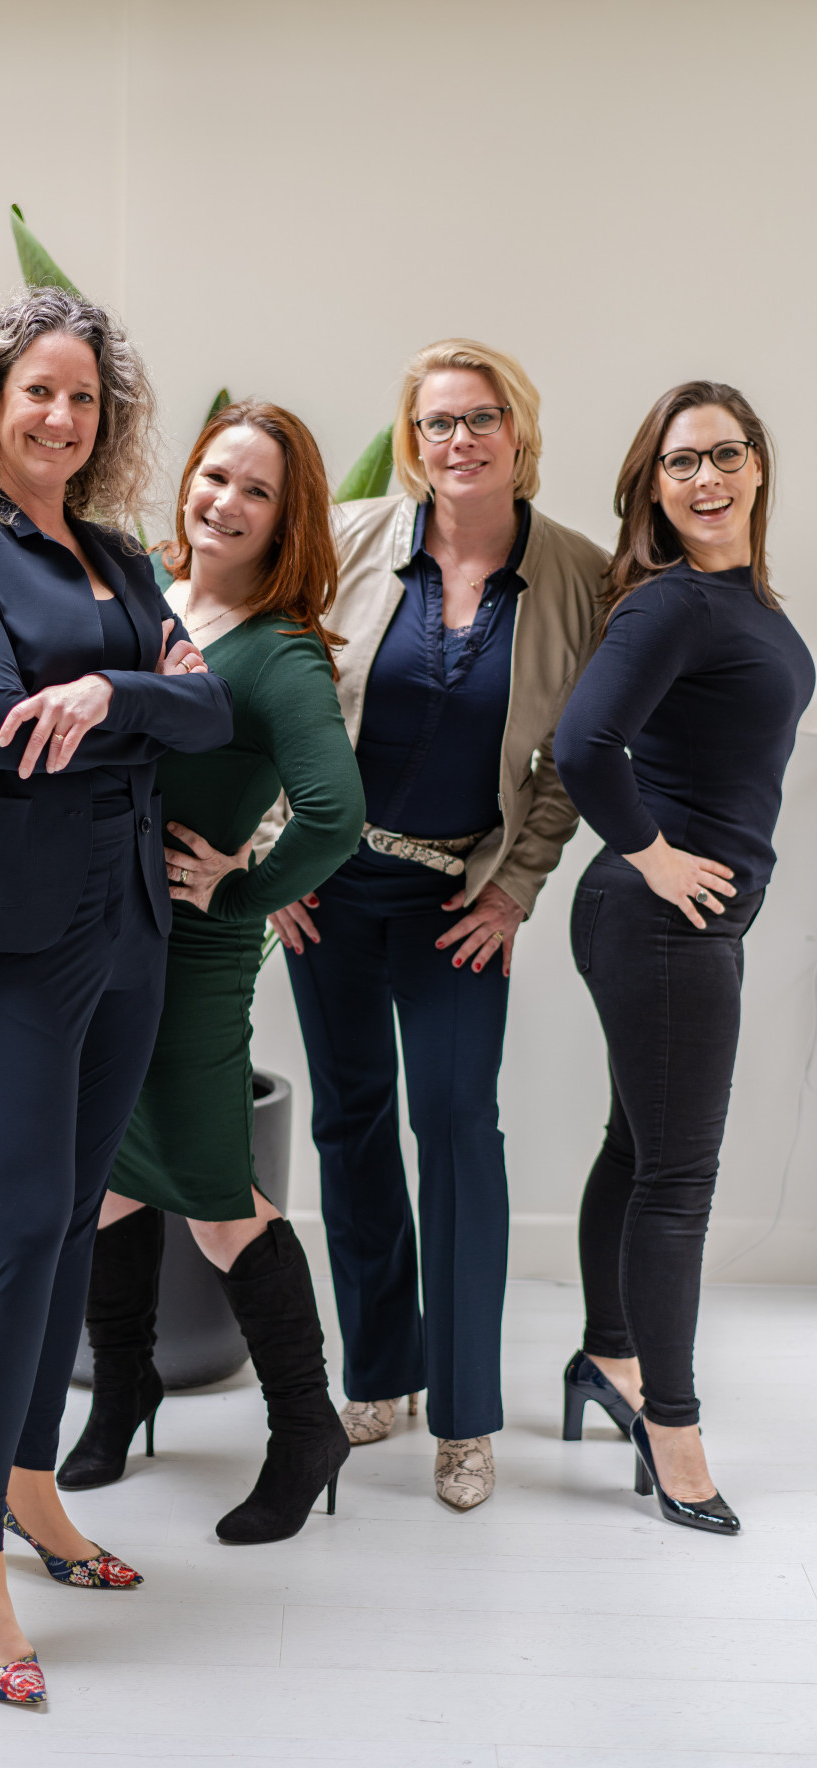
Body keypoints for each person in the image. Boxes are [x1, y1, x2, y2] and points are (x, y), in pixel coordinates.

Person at [0, 286, 232, 1706]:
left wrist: (107, 699)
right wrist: (135, 692)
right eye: (39, 388)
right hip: (11, 933)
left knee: (82, 1213)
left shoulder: (122, 555)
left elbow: (208, 711)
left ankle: (30, 1484)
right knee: (25, 1223)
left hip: (132, 924)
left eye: (85, 396)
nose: (62, 415)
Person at [265, 340, 608, 1508]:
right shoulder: (349, 540)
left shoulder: (579, 577)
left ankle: (464, 1417)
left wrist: (516, 887)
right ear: (413, 441)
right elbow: (268, 689)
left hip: (459, 901)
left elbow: (574, 761)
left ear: (520, 430)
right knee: (349, 1122)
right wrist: (273, 847)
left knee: (458, 1126)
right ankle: (380, 1372)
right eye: (436, 423)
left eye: (480, 418)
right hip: (331, 884)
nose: (459, 441)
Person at [58, 400, 365, 1543]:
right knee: (106, 1171)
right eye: (214, 475)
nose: (224, 502)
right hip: (106, 929)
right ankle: (124, 1384)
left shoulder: (280, 651)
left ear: (289, 519)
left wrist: (240, 889)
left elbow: (335, 815)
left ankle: (306, 1425)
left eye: (256, 491)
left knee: (217, 1196)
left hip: (192, 950)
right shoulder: (147, 590)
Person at [555, 381, 813, 1535]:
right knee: (680, 1179)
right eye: (680, 463)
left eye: (724, 453)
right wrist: (656, 855)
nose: (706, 478)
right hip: (661, 922)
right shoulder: (672, 604)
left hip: (674, 926)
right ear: (652, 490)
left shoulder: (745, 602)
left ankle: (607, 1358)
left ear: (757, 463)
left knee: (639, 1148)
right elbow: (582, 745)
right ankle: (674, 1428)